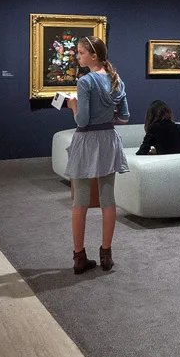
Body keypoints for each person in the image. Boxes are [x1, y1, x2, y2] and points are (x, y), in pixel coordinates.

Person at [62, 36, 130, 275]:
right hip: (108, 140)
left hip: (87, 141)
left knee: (80, 201)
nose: (78, 57)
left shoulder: (85, 81)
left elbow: (82, 120)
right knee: (107, 200)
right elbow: (125, 117)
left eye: (81, 53)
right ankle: (106, 255)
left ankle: (79, 257)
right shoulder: (116, 80)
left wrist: (73, 105)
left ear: (94, 56)